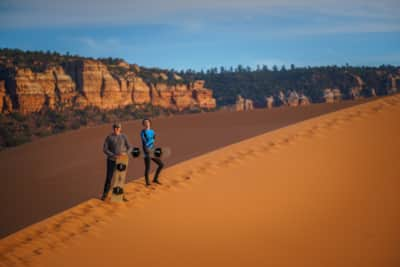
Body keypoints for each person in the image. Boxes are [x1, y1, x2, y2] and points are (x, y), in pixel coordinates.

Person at [102, 122, 132, 201]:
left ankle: (120, 195)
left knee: (120, 179)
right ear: (113, 128)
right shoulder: (109, 137)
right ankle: (105, 195)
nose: (116, 129)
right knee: (109, 178)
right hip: (111, 160)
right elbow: (105, 149)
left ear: (120, 129)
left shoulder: (124, 136)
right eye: (115, 127)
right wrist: (114, 155)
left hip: (121, 161)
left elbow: (130, 147)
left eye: (118, 127)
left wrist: (125, 153)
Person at [141, 118, 164, 186]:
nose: (146, 123)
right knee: (148, 167)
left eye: (147, 122)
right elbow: (144, 142)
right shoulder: (143, 132)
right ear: (143, 124)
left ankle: (155, 179)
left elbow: (153, 141)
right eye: (145, 122)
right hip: (146, 152)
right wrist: (147, 151)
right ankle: (147, 182)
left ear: (150, 123)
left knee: (161, 164)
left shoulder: (153, 131)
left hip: (152, 151)